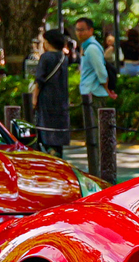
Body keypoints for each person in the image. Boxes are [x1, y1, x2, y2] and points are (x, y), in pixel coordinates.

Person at [73, 16, 111, 176]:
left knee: (98, 132)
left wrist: (106, 88)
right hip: (89, 94)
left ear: (90, 31)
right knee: (93, 131)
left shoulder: (92, 48)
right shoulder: (87, 47)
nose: (79, 33)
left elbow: (101, 72)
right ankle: (97, 166)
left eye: (82, 29)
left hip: (95, 94)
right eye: (77, 30)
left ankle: (102, 167)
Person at [31, 26, 71, 155]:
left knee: (44, 126)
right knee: (58, 128)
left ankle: (50, 151)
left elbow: (40, 80)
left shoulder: (46, 57)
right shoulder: (64, 57)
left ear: (48, 42)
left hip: (47, 97)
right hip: (61, 98)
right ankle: (57, 151)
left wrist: (34, 98)